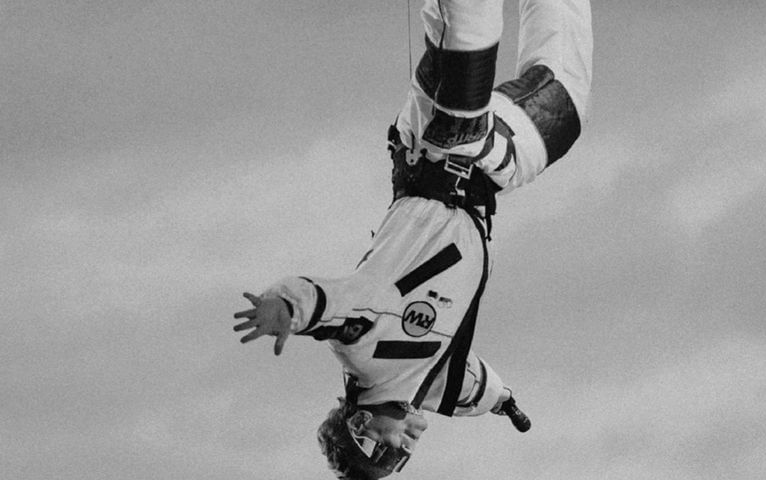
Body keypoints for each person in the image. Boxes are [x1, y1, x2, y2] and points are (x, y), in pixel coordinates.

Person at [228, 0, 592, 478]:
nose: (405, 453)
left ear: (360, 425)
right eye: (398, 464)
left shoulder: (362, 348)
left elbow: (323, 304)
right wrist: (506, 403)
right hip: (484, 171)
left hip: (437, 148)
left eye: (388, 454)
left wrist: (282, 310)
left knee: (472, 26)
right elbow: (472, 387)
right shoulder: (430, 384)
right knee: (565, 99)